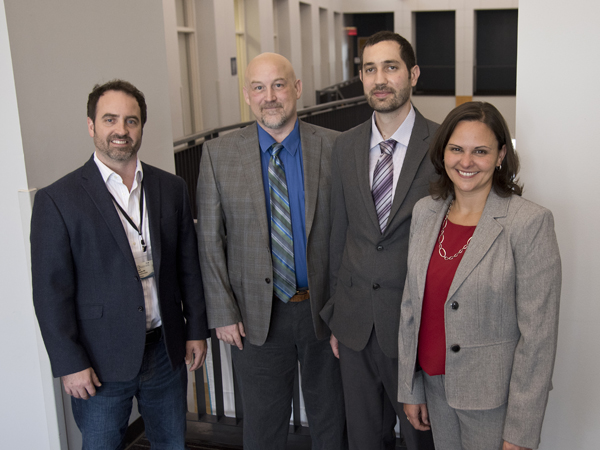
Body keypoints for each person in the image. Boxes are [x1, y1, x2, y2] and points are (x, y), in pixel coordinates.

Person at [30, 79, 209, 449]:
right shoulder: (58, 200)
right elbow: (51, 292)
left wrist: (196, 331)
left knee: (172, 442)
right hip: (98, 360)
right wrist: (68, 362)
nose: (121, 130)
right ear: (91, 125)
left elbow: (188, 267)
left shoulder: (170, 188)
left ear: (142, 127)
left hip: (165, 351)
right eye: (110, 119)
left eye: (131, 121)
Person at [196, 53, 346, 450]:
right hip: (255, 319)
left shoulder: (335, 147)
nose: (270, 97)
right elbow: (210, 239)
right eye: (259, 88)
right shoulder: (218, 155)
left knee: (333, 423)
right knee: (263, 430)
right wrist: (223, 312)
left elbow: (350, 237)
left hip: (325, 313)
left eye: (278, 85)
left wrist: (346, 311)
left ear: (296, 89)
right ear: (247, 95)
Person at [398, 101, 561, 450]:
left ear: (501, 155)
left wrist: (520, 431)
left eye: (480, 151)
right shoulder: (426, 212)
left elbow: (538, 339)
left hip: (494, 400)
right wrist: (410, 387)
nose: (466, 162)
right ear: (443, 153)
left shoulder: (529, 223)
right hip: (433, 385)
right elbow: (411, 305)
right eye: (456, 149)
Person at [320, 31, 436, 450]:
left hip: (416, 328)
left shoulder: (443, 145)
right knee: (364, 440)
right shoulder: (345, 145)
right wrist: (335, 313)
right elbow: (339, 233)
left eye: (391, 67)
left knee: (422, 440)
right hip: (354, 327)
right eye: (370, 69)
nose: (379, 78)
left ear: (413, 74)